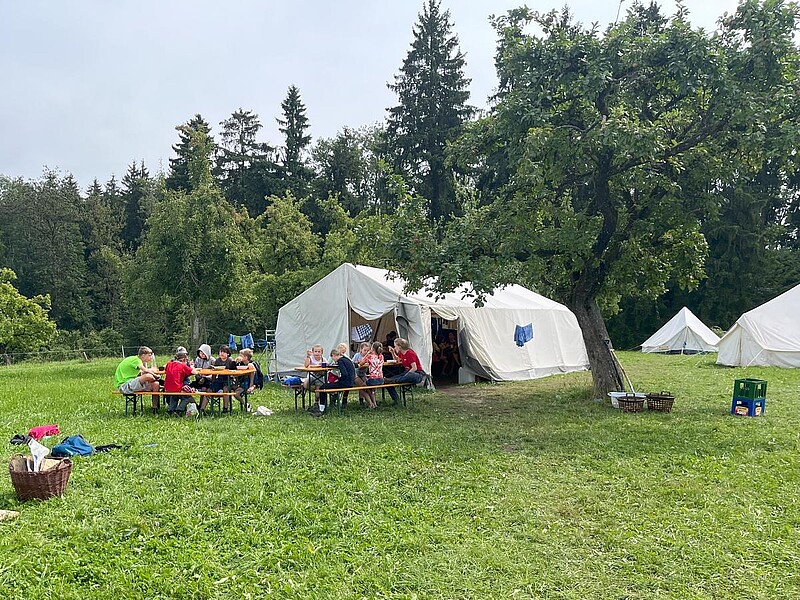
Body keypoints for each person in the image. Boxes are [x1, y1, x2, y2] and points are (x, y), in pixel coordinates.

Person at [114, 346, 161, 411]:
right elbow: (145, 371)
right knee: (148, 376)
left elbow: (141, 373)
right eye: (149, 356)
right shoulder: (136, 359)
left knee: (156, 384)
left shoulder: (138, 361)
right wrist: (155, 375)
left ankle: (155, 408)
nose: (150, 358)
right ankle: (160, 381)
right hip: (124, 385)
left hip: (133, 384)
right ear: (143, 355)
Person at [312, 347, 355, 417]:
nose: (333, 360)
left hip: (345, 383)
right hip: (351, 382)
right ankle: (325, 406)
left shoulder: (340, 361)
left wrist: (339, 379)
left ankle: (321, 410)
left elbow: (344, 374)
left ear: (333, 355)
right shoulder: (346, 359)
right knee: (326, 386)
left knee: (322, 388)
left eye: (332, 358)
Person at [386, 337, 425, 405]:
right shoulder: (401, 353)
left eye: (395, 346)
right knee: (387, 382)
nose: (395, 348)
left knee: (409, 375)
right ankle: (396, 399)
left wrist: (406, 375)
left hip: (416, 373)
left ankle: (395, 380)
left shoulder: (410, 353)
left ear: (400, 347)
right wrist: (392, 352)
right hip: (407, 372)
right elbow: (398, 360)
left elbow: (414, 368)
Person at [164, 348, 200, 415]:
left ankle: (170, 410)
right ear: (184, 360)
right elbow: (194, 372)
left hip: (167, 388)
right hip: (177, 388)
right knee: (187, 397)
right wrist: (192, 367)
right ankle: (179, 410)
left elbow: (165, 371)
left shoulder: (169, 364)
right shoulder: (182, 365)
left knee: (174, 396)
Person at [207, 344, 236, 412]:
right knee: (209, 390)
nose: (221, 353)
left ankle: (225, 408)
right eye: (220, 352)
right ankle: (202, 409)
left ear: (228, 354)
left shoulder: (230, 361)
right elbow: (214, 373)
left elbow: (234, 371)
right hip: (219, 379)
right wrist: (213, 382)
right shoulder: (217, 361)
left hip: (228, 379)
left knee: (225, 389)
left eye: (224, 352)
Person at [363, 341, 385, 409]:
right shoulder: (381, 356)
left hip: (373, 379)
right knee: (371, 388)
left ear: (372, 349)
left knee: (363, 387)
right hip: (381, 379)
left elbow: (361, 363)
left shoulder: (370, 356)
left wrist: (367, 354)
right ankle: (374, 403)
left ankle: (371, 404)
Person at [352, 341, 372, 406]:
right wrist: (357, 362)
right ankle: (363, 400)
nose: (366, 352)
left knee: (368, 384)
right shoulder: (357, 355)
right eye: (365, 350)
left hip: (363, 374)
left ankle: (370, 400)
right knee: (362, 385)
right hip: (356, 373)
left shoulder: (369, 356)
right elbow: (352, 363)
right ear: (361, 350)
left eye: (368, 350)